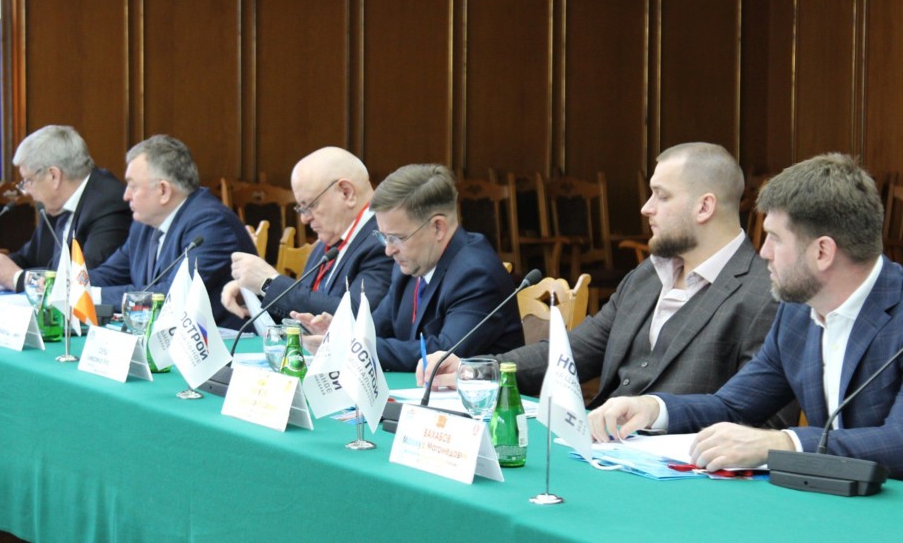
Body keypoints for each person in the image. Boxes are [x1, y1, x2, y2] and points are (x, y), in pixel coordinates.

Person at [589, 153, 903, 478]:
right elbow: (734, 405)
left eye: (775, 239)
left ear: (822, 252)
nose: (764, 252)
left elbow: (898, 442)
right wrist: (654, 408)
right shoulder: (797, 313)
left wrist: (783, 443)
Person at [419, 143, 785, 419]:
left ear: (704, 207)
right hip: (598, 447)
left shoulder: (765, 294)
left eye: (661, 196)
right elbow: (573, 352)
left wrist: (658, 416)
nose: (646, 208)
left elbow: (761, 420)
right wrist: (478, 369)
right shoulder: (647, 275)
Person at [295, 163, 524, 372]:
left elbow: (442, 352)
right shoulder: (412, 263)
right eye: (383, 237)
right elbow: (378, 327)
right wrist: (341, 333)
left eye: (396, 237)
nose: (388, 250)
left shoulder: (476, 274)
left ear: (438, 227)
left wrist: (351, 346)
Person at [89, 135, 256, 328]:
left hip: (223, 341)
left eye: (133, 186)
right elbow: (110, 274)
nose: (126, 196)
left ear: (163, 190)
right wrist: (73, 285)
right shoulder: (144, 224)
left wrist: (91, 296)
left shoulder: (211, 224)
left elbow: (173, 295)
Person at [220, 147, 393, 322]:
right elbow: (304, 306)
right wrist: (255, 291)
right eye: (301, 208)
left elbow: (355, 316)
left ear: (346, 192)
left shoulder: (385, 241)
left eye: (310, 205)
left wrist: (269, 282)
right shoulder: (329, 240)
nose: (304, 219)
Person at [0, 125, 131, 292]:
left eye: (28, 181)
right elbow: (29, 259)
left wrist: (17, 278)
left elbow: (85, 279)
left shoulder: (108, 204)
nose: (26, 191)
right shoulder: (54, 204)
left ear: (54, 176)